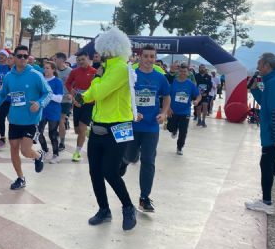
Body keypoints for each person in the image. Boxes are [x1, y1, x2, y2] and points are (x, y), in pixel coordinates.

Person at [76, 27, 137, 231]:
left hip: (118, 126)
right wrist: (84, 96)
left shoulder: (119, 67)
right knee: (95, 172)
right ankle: (104, 209)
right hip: (99, 126)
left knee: (110, 172)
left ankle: (128, 208)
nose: (99, 53)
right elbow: (92, 93)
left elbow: (99, 91)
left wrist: (94, 82)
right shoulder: (105, 68)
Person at [0, 45, 51, 190]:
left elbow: (48, 93)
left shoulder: (35, 75)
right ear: (14, 58)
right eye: (20, 56)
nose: (23, 58)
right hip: (15, 120)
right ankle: (20, 178)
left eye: (25, 56)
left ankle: (38, 155)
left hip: (31, 120)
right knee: (14, 149)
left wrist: (39, 103)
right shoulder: (9, 77)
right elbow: (2, 93)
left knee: (25, 151)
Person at [119, 44, 170, 213]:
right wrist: (131, 112)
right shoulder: (131, 75)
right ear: (140, 57)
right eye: (146, 56)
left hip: (151, 127)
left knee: (148, 161)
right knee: (131, 156)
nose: (149, 59)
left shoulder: (160, 77)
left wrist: (163, 113)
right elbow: (123, 96)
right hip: (132, 125)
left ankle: (144, 198)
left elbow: (167, 97)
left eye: (152, 57)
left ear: (155, 59)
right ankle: (124, 162)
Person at [245, 53, 275, 215]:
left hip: (272, 135)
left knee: (266, 164)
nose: (257, 68)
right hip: (270, 133)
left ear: (267, 65)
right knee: (271, 164)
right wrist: (254, 90)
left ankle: (266, 202)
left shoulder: (273, 83)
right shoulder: (270, 82)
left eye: (259, 64)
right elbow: (265, 104)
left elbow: (274, 112)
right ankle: (266, 201)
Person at [67, 51, 97, 162]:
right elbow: (68, 83)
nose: (80, 62)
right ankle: (86, 132)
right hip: (77, 102)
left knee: (81, 128)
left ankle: (77, 153)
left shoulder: (94, 72)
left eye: (83, 59)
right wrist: (72, 92)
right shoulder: (74, 71)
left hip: (89, 103)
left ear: (88, 59)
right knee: (77, 130)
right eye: (78, 60)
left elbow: (97, 87)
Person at [167, 64, 201, 155]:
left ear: (188, 73)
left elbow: (198, 95)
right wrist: (168, 107)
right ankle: (174, 130)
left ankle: (179, 147)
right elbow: (167, 96)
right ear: (178, 72)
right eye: (181, 71)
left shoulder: (190, 84)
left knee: (183, 131)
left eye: (184, 71)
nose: (182, 73)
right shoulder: (173, 82)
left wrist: (197, 101)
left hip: (185, 112)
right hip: (173, 110)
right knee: (170, 128)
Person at [38, 61, 63, 164]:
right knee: (38, 132)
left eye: (48, 68)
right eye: (45, 68)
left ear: (53, 69)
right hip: (42, 111)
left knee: (52, 134)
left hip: (54, 111)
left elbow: (59, 99)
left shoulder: (57, 82)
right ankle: (45, 150)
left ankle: (56, 155)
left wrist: (48, 95)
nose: (45, 70)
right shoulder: (41, 81)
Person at [55, 52, 72, 151]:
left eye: (56, 59)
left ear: (61, 60)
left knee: (61, 120)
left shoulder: (70, 71)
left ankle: (62, 142)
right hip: (54, 99)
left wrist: (71, 94)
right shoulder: (53, 70)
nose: (54, 60)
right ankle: (55, 137)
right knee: (55, 121)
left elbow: (74, 85)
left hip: (66, 100)